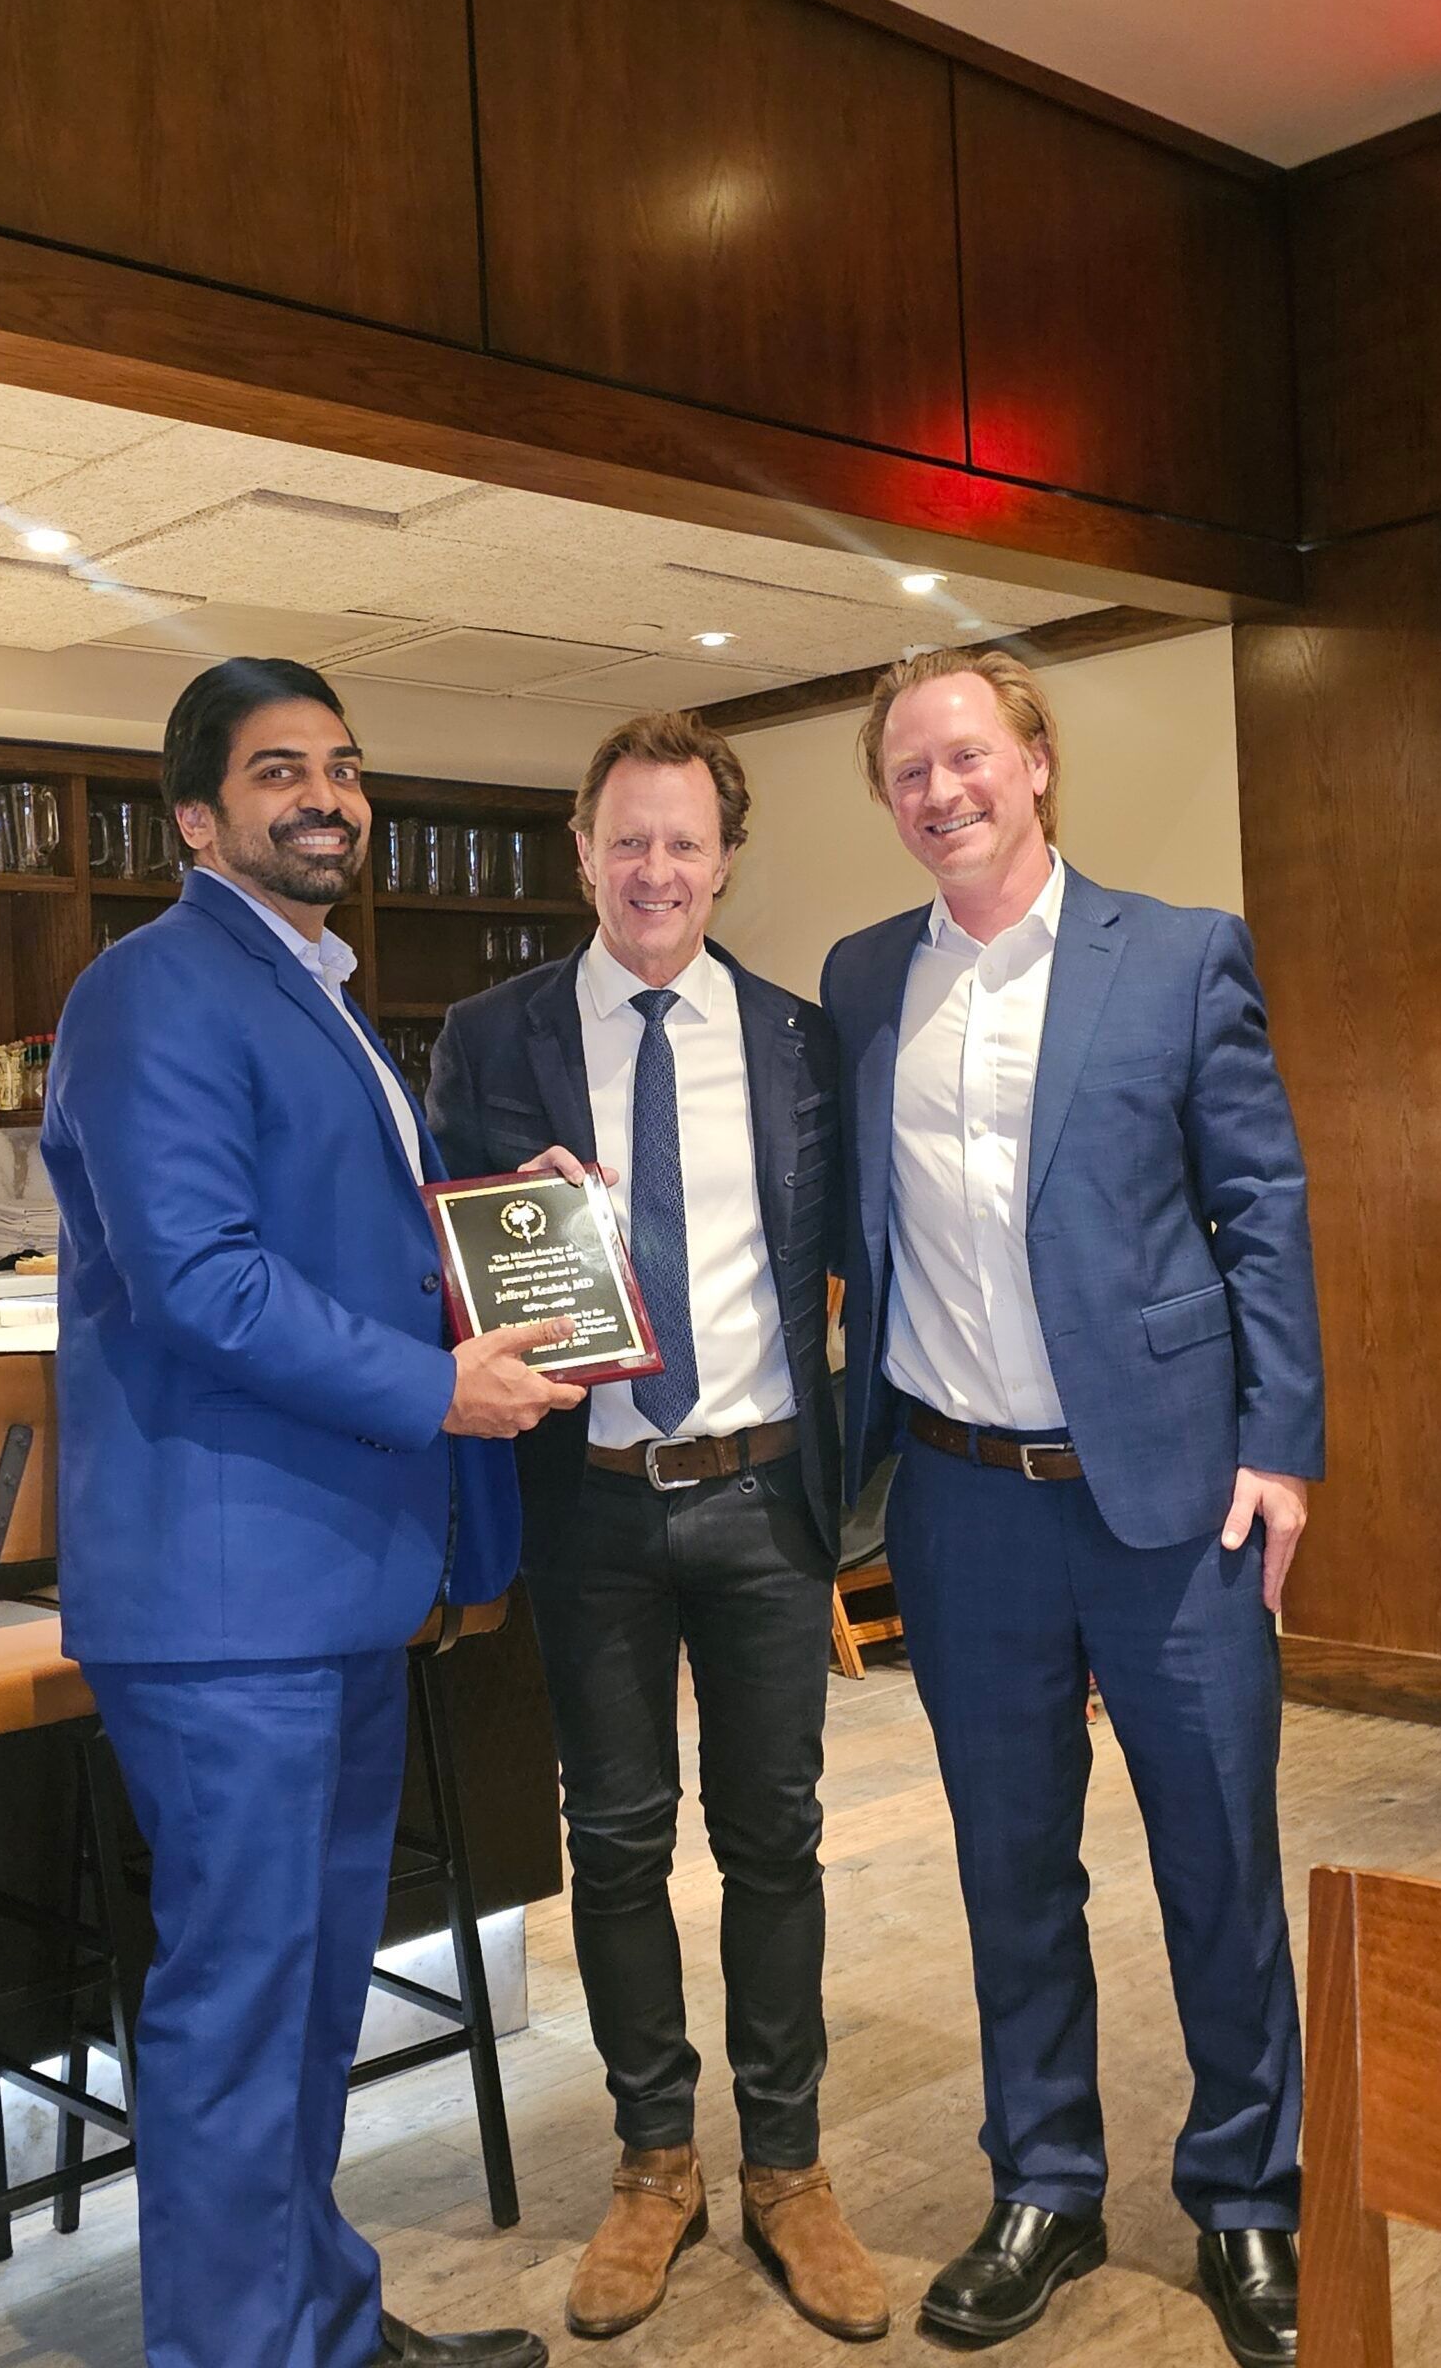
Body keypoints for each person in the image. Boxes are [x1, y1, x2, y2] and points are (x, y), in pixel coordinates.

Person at [44, 655, 584, 2368]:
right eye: (281, 770)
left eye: (343, 766)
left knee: (305, 2003)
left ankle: (318, 2326)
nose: (327, 796)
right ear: (198, 817)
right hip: (227, 1605)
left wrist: (510, 1218)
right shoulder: (153, 990)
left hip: (330, 1590)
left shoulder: (313, 994)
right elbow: (199, 1278)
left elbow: (345, 1242)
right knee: (242, 2013)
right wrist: (439, 1389)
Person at [819, 648, 1322, 2368]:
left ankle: (1251, 2199)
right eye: (907, 772)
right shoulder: (865, 976)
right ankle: (1045, 2179)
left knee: (1217, 1861)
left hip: (1174, 1499)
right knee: (1009, 1867)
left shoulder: (1175, 953)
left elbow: (1261, 1205)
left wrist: (1283, 1444)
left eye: (967, 755)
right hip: (964, 1507)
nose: (940, 790)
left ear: (1035, 763)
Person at [429, 713, 888, 2345]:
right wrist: (493, 1240)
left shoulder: (795, 1037)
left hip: (762, 1496)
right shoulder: (489, 1042)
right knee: (614, 1845)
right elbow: (439, 1268)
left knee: (776, 1840)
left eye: (685, 843)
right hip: (592, 1508)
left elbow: (851, 1252)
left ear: (725, 859)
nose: (655, 871)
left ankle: (788, 2167)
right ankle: (652, 2163)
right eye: (627, 839)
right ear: (581, 847)